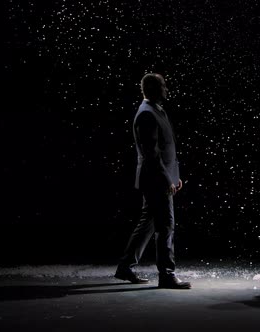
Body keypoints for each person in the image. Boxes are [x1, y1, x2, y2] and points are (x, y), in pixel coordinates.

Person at [114, 73, 191, 289]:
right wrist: (168, 178)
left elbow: (164, 148)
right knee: (165, 225)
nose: (167, 89)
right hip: (156, 179)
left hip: (159, 177)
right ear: (155, 89)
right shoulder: (147, 114)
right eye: (164, 86)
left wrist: (174, 176)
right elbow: (151, 152)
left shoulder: (155, 111)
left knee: (148, 224)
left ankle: (125, 267)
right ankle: (166, 274)